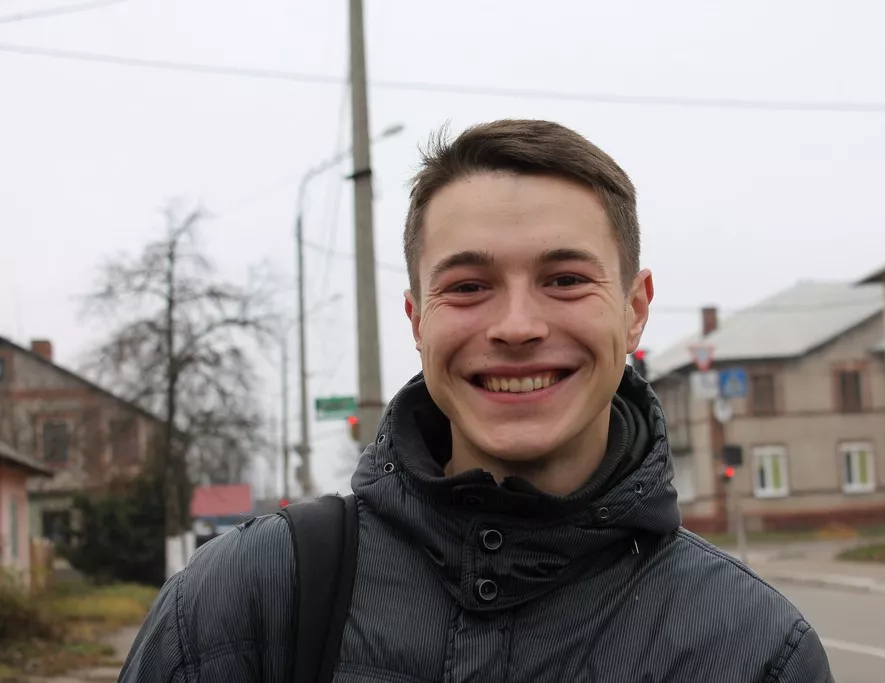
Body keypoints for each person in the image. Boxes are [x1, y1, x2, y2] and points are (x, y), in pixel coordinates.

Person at [119, 119, 834, 682]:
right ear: (417, 320)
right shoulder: (242, 600)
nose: (517, 326)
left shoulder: (755, 650)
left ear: (635, 308)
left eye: (565, 279)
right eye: (467, 286)